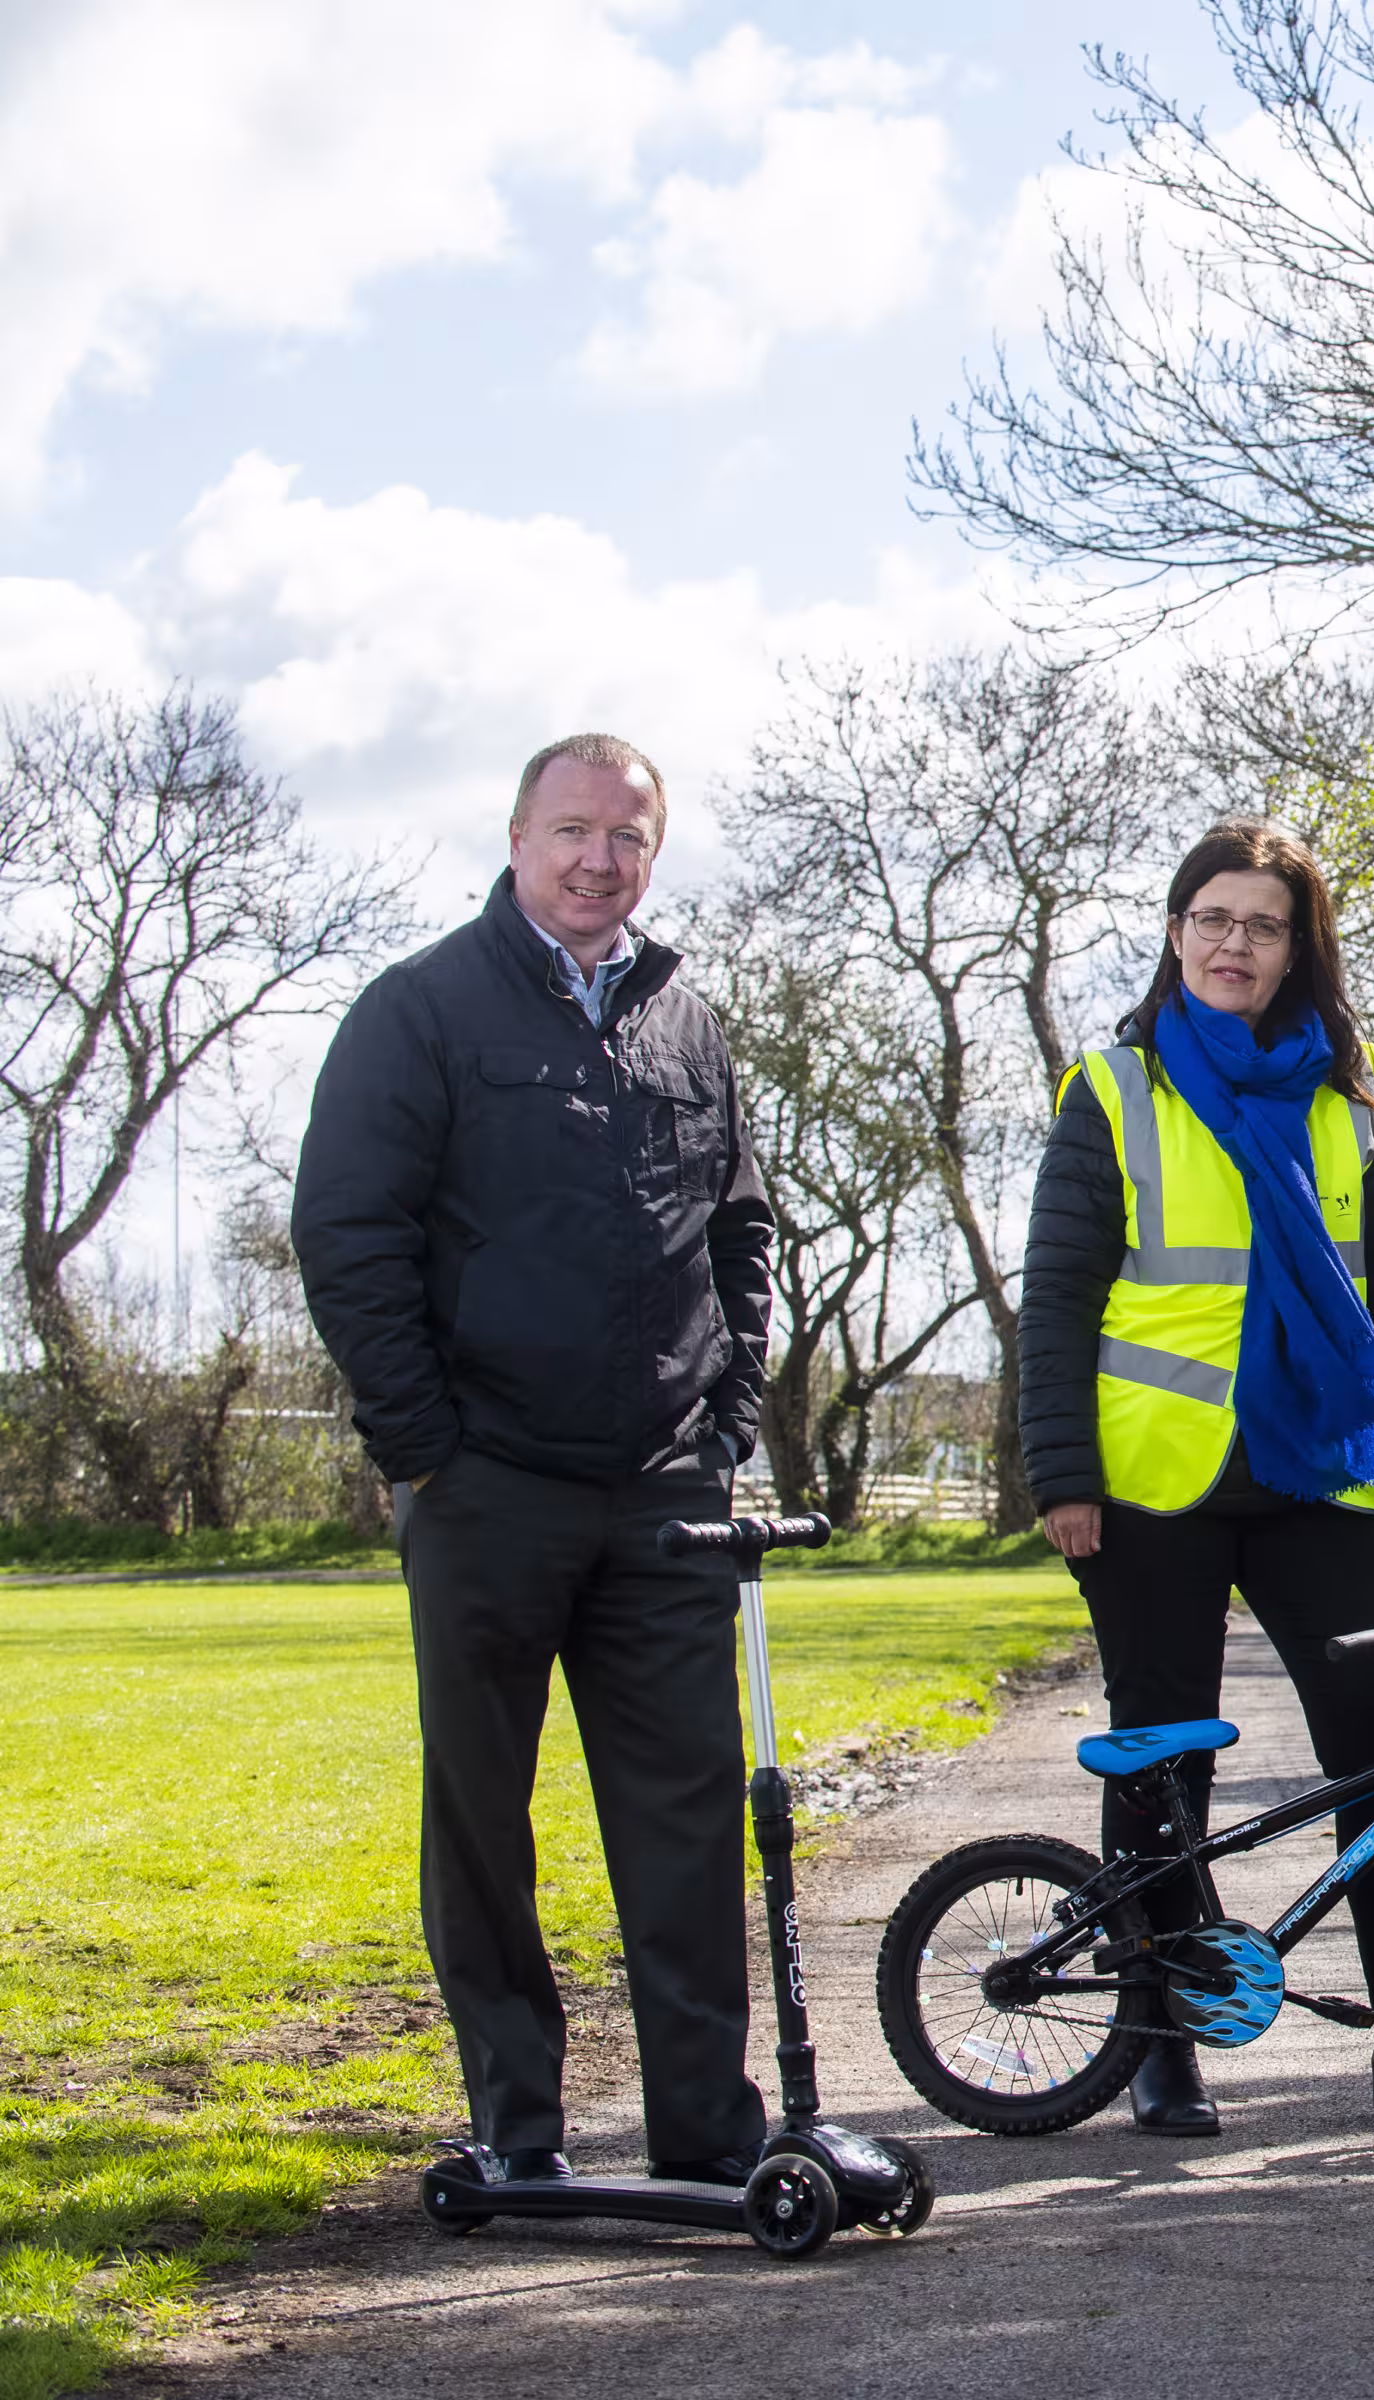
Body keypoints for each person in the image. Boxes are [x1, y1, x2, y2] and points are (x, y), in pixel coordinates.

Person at [292, 733, 776, 2190]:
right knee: (483, 1824)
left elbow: (743, 1233)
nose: (597, 861)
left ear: (653, 856)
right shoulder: (419, 1011)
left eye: (627, 839)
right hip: (487, 1487)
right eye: (572, 831)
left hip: (665, 1496)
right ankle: (518, 2125)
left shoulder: (691, 1021)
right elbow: (348, 1234)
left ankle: (705, 2135)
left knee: (689, 1825)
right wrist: (426, 1447)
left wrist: (731, 1412)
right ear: (515, 839)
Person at [1019, 818, 1374, 2136]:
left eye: (1262, 925)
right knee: (1163, 1760)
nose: (1233, 943)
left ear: (1296, 948)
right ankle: (1163, 2043)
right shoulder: (1114, 1089)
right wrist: (1061, 1472)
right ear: (1174, 931)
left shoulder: (1359, 1093)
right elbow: (1058, 1299)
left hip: (1320, 1473)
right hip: (1152, 1482)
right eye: (1211, 918)